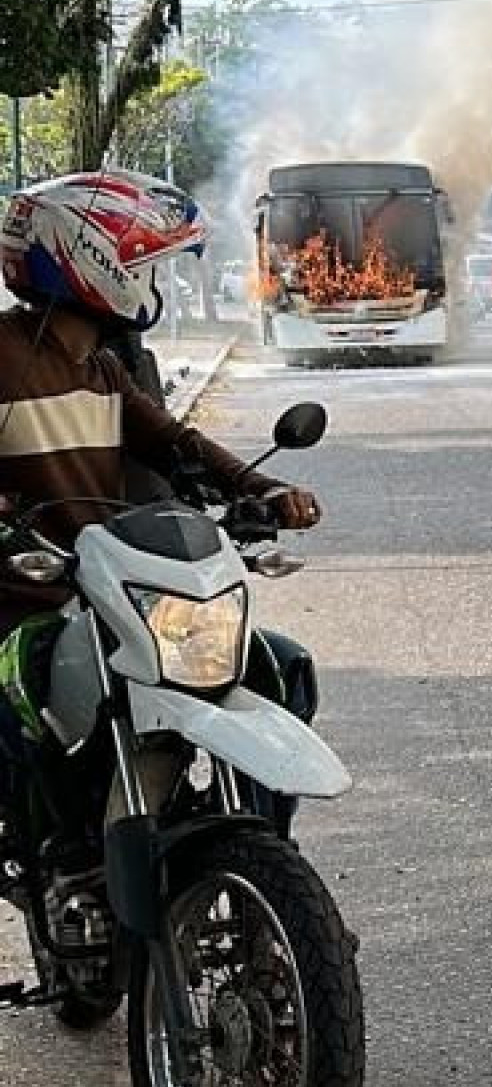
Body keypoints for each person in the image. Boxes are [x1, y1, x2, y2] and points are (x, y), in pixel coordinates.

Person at [0, 173, 323, 810]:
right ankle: (47, 845)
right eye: (142, 264)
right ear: (90, 260)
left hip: (109, 592)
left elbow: (177, 445)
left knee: (277, 668)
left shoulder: (104, 367)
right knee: (17, 706)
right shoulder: (3, 353)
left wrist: (264, 487)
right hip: (21, 596)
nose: (152, 282)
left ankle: (248, 849)